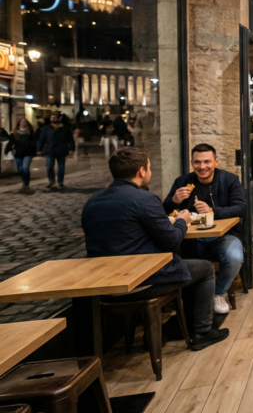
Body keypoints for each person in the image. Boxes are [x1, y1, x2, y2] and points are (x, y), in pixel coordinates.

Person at [82, 147, 229, 350]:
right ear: (142, 171)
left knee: (188, 264)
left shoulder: (92, 202)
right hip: (141, 281)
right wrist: (181, 221)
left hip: (102, 283)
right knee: (205, 269)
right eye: (150, 167)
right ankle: (203, 333)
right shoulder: (145, 199)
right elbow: (172, 241)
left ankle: (169, 329)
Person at [163, 144, 247, 315]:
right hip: (190, 238)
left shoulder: (229, 180)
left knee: (235, 256)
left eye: (207, 162)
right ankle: (184, 297)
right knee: (166, 254)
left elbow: (241, 208)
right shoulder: (182, 182)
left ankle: (218, 293)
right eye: (197, 162)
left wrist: (213, 211)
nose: (202, 167)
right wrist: (173, 200)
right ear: (192, 163)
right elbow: (164, 210)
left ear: (215, 162)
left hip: (223, 235)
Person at [37, 113, 75, 190]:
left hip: (62, 150)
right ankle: (51, 181)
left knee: (61, 168)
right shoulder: (46, 128)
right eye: (52, 117)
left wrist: (71, 148)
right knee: (49, 166)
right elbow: (42, 139)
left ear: (59, 119)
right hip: (50, 150)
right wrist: (39, 149)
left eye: (54, 117)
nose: (53, 119)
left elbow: (70, 139)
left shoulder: (65, 128)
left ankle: (60, 182)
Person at [5, 118, 36, 193]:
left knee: (25, 168)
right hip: (18, 153)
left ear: (27, 123)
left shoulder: (30, 132)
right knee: (20, 169)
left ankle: (26, 185)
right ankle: (24, 182)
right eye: (21, 122)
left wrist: (35, 150)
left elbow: (34, 142)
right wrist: (7, 150)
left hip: (28, 153)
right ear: (19, 123)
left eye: (24, 122)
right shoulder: (14, 133)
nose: (23, 123)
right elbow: (10, 142)